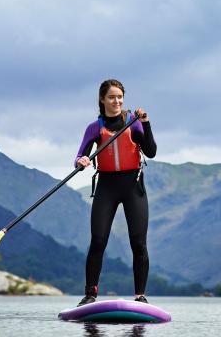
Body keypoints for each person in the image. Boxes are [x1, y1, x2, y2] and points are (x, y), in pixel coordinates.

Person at [75, 79, 156, 306]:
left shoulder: (134, 123)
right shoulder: (94, 127)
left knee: (138, 243)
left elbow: (151, 151)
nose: (117, 101)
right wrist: (81, 161)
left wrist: (146, 123)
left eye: (120, 97)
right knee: (98, 240)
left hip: (133, 186)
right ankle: (90, 294)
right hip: (107, 186)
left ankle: (140, 296)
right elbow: (80, 156)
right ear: (102, 100)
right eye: (112, 97)